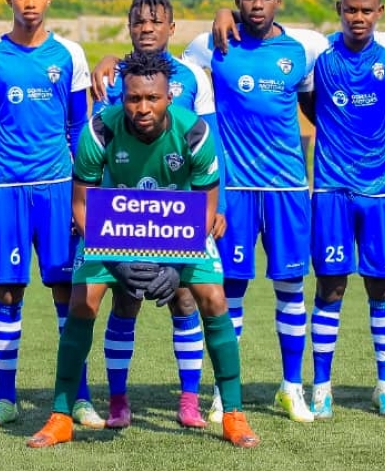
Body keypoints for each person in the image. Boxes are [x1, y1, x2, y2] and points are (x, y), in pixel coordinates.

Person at [26, 50, 259, 449]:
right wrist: (115, 262)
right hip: (111, 230)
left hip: (179, 230)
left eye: (152, 98)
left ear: (169, 97)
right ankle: (61, 415)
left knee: (214, 298)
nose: (143, 107)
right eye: (134, 99)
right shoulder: (99, 129)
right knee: (83, 303)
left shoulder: (196, 133)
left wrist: (176, 263)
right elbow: (81, 203)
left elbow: (206, 204)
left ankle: (234, 414)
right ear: (122, 97)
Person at [182, 0, 328, 422]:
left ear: (278, 0)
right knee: (231, 289)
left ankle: (291, 386)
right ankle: (228, 391)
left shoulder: (304, 48)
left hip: (286, 185)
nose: (257, 3)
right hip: (235, 190)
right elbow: (166, 68)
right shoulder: (209, 45)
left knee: (291, 286)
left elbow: (314, 99)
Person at [0, 0, 102, 430]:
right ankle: (5, 399)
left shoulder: (69, 55)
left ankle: (78, 396)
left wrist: (84, 195)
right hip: (6, 189)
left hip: (59, 190)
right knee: (8, 291)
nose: (29, 3)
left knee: (69, 294)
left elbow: (78, 129)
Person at [87, 0, 221, 429]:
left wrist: (219, 206)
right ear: (129, 27)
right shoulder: (111, 75)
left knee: (184, 298)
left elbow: (210, 142)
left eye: (155, 22)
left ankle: (187, 400)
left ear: (171, 28)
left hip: (179, 212)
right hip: (122, 210)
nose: (147, 29)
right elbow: (97, 138)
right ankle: (118, 400)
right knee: (126, 300)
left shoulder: (193, 78)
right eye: (139, 22)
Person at [299, 0, 385, 418]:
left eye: (367, 9)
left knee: (381, 285)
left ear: (380, 12)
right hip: (331, 187)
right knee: (330, 285)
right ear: (339, 10)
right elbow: (311, 106)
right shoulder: (320, 58)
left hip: (382, 189)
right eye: (351, 9)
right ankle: (322, 386)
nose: (359, 17)